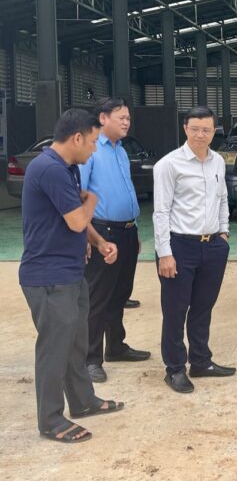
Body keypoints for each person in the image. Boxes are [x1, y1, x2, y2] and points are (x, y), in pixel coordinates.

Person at [19, 109, 124, 443]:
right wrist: (93, 198)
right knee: (54, 348)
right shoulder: (48, 168)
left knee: (76, 342)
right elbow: (77, 219)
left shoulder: (68, 169)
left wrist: (99, 242)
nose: (94, 149)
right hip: (48, 276)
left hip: (70, 271)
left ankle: (83, 401)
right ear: (77, 138)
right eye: (92, 142)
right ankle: (51, 420)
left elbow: (78, 219)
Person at [153, 106, 235, 393]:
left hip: (212, 246)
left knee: (203, 307)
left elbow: (222, 198)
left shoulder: (218, 162)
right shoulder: (168, 165)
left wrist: (223, 232)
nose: (201, 134)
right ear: (185, 129)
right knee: (175, 311)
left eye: (207, 129)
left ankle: (201, 361)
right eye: (195, 129)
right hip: (179, 246)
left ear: (214, 131)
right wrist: (165, 253)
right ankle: (175, 368)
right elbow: (161, 211)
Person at [79, 98, 150, 384]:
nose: (127, 122)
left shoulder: (120, 150)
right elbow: (78, 196)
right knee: (98, 297)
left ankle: (116, 346)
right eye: (121, 117)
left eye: (128, 118)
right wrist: (86, 237)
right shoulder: (91, 149)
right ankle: (90, 359)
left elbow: (126, 191)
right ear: (103, 118)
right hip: (102, 232)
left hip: (127, 231)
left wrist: (135, 230)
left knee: (120, 293)